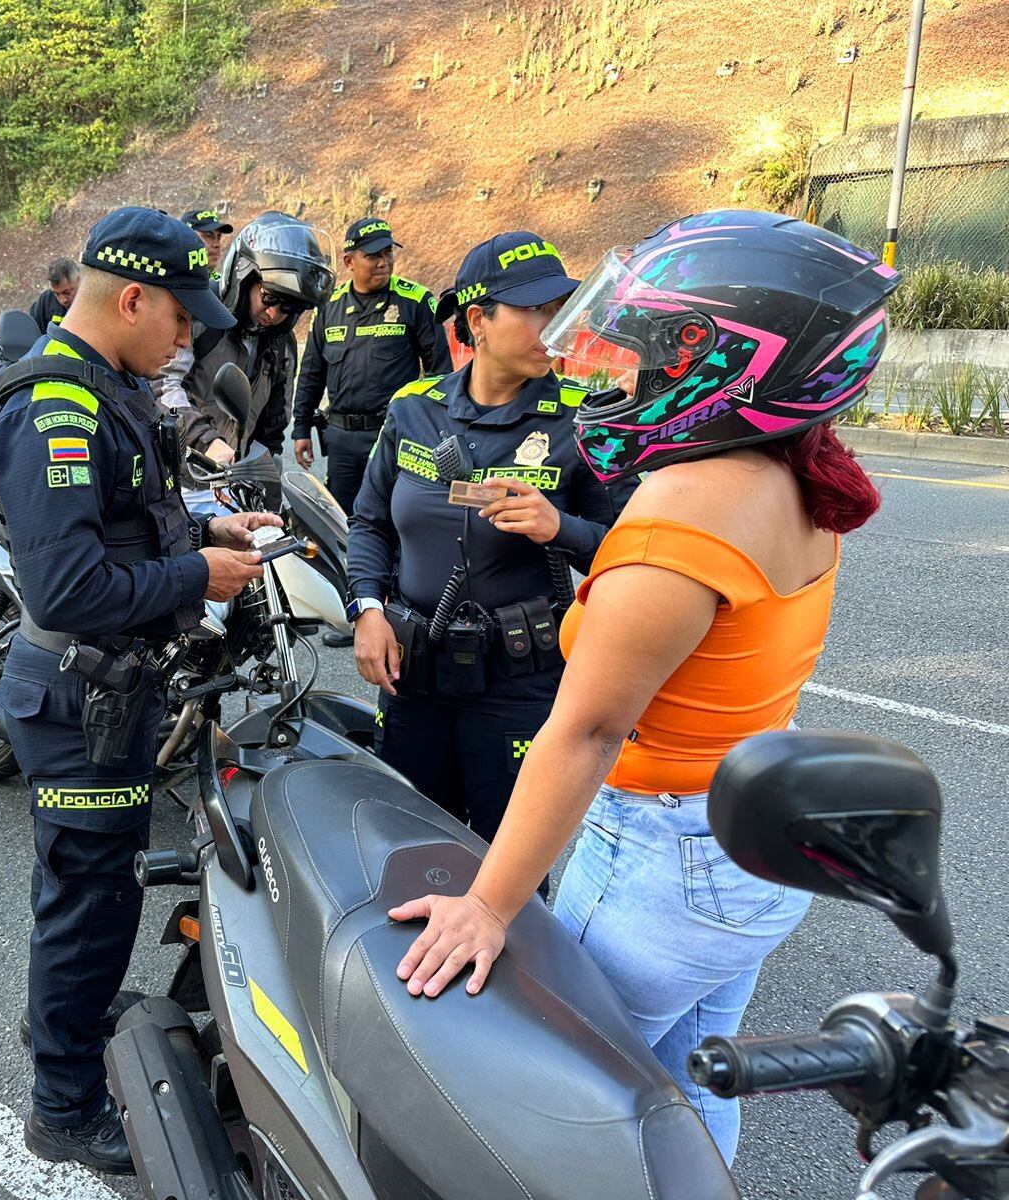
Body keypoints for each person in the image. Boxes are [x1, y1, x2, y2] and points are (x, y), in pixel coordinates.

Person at [388, 210, 901, 1163]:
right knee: (678, 1079)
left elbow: (581, 733)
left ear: (723, 364)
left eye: (646, 355)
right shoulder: (802, 478)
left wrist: (488, 905)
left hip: (660, 854)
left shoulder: (682, 516)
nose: (619, 373)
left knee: (568, 1103)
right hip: (744, 834)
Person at [0, 206, 275, 1173]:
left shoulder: (108, 389)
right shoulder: (56, 407)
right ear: (133, 298)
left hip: (106, 687)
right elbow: (68, 587)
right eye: (180, 320)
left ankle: (55, 1020)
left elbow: (127, 522)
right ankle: (62, 1107)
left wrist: (203, 535)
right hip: (78, 692)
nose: (187, 338)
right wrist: (201, 579)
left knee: (82, 885)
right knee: (92, 902)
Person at [348, 231, 630, 864]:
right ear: (478, 320)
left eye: (560, 309)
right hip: (413, 674)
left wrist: (562, 528)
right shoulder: (413, 410)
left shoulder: (584, 420)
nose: (551, 326)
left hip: (518, 683)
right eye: (535, 311)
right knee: (409, 852)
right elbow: (369, 523)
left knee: (508, 866)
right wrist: (366, 610)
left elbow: (635, 553)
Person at [159, 211, 333, 504]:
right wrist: (206, 440)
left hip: (231, 488)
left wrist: (265, 484)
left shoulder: (282, 345)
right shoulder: (202, 318)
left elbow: (273, 427)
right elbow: (163, 385)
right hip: (176, 482)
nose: (274, 314)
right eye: (270, 297)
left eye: (289, 308)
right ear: (244, 276)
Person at [292, 217, 451, 517]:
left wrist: (434, 432)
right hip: (341, 440)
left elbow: (440, 375)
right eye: (373, 255)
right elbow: (312, 371)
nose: (384, 262)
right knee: (342, 520)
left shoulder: (415, 301)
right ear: (349, 261)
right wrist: (301, 427)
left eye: (387, 253)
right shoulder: (329, 306)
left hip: (394, 434)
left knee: (394, 518)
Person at [28, 258, 80, 332]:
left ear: (80, 280)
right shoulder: (45, 302)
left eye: (67, 293)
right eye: (56, 294)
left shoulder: (95, 302)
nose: (62, 300)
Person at [181, 208, 233, 274]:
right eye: (209, 236)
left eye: (219, 237)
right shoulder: (169, 279)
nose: (217, 244)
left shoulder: (222, 282)